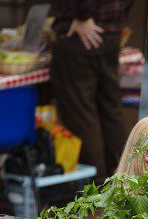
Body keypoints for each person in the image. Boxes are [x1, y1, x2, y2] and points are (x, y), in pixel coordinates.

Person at [50, 0, 132, 185]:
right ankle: (123, 182)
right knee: (110, 109)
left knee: (82, 114)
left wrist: (83, 15)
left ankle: (96, 187)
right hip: (110, 28)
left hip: (83, 31)